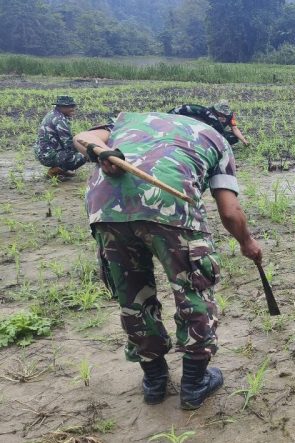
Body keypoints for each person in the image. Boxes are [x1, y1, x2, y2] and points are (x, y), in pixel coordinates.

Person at [73, 112, 263, 410]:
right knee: (194, 290)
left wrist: (103, 152)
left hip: (107, 211)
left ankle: (154, 381)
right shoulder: (217, 139)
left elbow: (83, 136)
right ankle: (193, 384)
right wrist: (247, 242)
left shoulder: (128, 120)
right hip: (171, 208)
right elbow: (229, 211)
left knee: (133, 297)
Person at [34, 95, 87, 179]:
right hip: (48, 155)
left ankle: (62, 169)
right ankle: (56, 170)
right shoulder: (60, 120)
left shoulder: (52, 114)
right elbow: (69, 145)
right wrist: (84, 148)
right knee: (85, 154)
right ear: (61, 107)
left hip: (42, 152)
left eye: (73, 106)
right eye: (69, 106)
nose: (73, 109)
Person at [168, 101, 250, 146]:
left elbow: (234, 128)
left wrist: (243, 139)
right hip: (203, 132)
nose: (222, 114)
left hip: (218, 133)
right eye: (220, 112)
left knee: (233, 137)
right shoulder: (207, 112)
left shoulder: (229, 116)